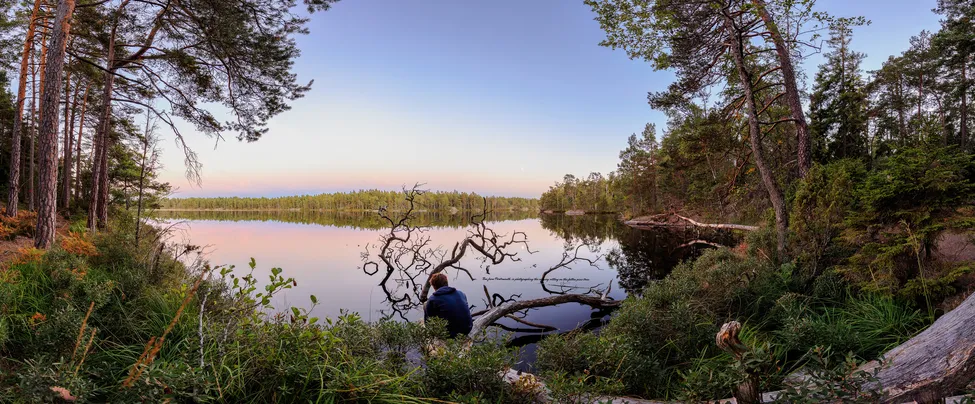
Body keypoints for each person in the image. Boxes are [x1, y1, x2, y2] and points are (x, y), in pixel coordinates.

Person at [424, 273, 473, 338]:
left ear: (434, 286)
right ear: (446, 282)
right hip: (468, 328)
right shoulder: (461, 293)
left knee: (425, 305)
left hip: (450, 335)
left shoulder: (433, 299)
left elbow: (429, 323)